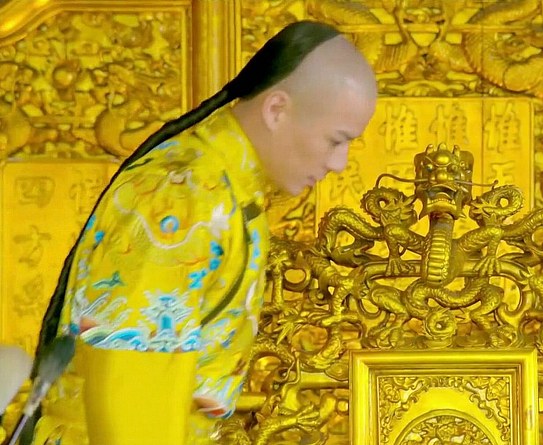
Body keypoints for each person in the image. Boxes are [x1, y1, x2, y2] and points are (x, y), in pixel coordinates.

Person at [25, 20, 377, 445]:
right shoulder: (183, 198)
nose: (339, 163)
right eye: (336, 140)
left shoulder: (225, 188)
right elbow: (133, 398)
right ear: (276, 110)